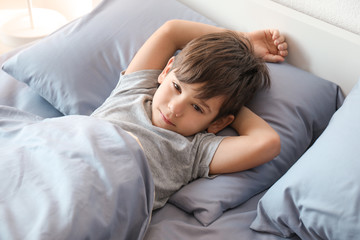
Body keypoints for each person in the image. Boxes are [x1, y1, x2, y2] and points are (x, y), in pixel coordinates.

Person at [91, 19, 288, 209]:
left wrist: (226, 105)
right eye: (176, 87)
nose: (175, 109)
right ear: (166, 70)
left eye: (197, 108)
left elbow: (268, 142)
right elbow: (172, 31)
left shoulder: (194, 151)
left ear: (219, 123)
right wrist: (244, 41)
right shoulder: (133, 92)